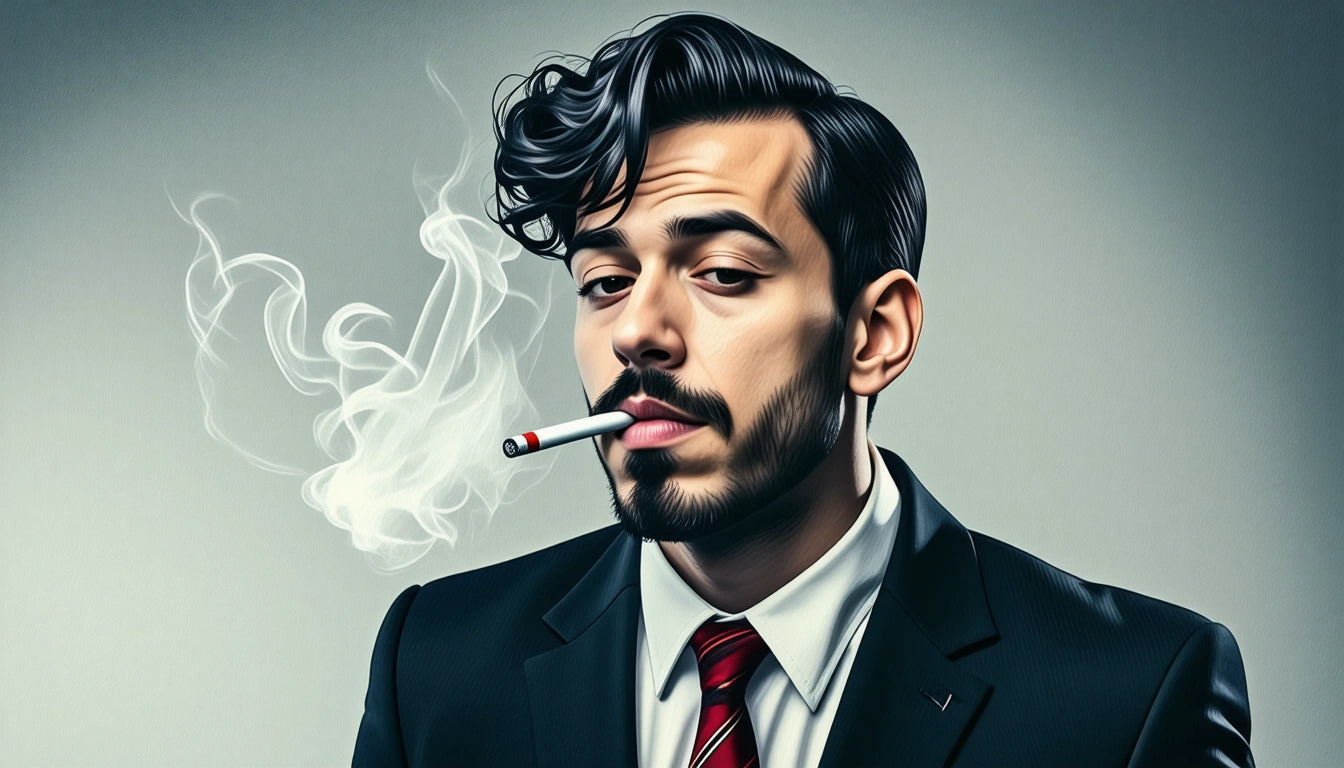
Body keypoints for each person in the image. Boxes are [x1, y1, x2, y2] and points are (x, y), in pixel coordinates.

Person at [353, 13, 1254, 767]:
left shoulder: (1126, 698)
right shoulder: (437, 666)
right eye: (606, 282)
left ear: (874, 335)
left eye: (723, 272)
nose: (636, 331)